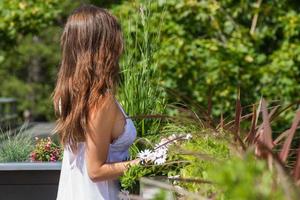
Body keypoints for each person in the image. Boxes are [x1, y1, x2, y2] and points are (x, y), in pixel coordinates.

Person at [53, 4, 140, 200]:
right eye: (114, 38)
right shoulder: (101, 101)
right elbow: (95, 171)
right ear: (101, 47)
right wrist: (147, 162)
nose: (120, 45)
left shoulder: (68, 95)